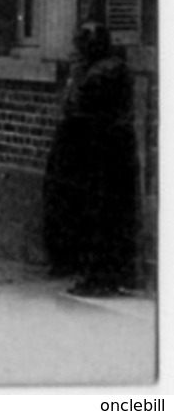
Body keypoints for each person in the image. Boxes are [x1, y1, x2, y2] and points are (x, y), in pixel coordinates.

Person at [43, 23, 139, 297]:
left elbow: (77, 110)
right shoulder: (96, 69)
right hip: (97, 153)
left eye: (82, 44)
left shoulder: (103, 72)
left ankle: (99, 277)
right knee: (97, 215)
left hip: (101, 155)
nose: (78, 50)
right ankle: (98, 273)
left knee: (99, 216)